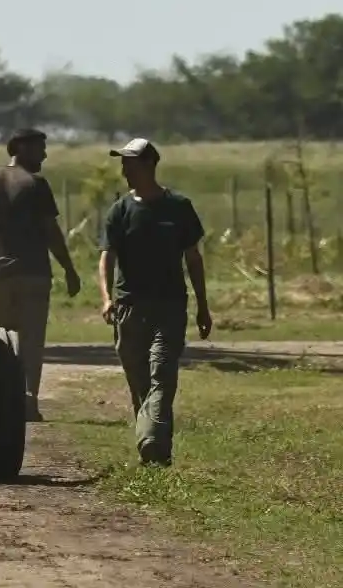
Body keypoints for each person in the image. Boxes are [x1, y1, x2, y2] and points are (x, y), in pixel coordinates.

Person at [98, 137, 212, 467]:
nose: (124, 170)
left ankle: (152, 441)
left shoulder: (178, 207)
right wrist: (106, 298)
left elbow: (193, 258)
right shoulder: (120, 210)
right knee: (139, 382)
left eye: (129, 163)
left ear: (149, 165)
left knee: (162, 375)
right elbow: (106, 258)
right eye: (122, 163)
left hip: (169, 306)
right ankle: (154, 452)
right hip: (129, 308)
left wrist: (203, 306)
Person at [0, 128, 81, 421]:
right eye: (40, 148)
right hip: (33, 273)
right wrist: (69, 268)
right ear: (21, 148)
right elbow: (51, 231)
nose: (45, 154)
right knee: (31, 339)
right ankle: (28, 401)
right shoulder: (36, 184)